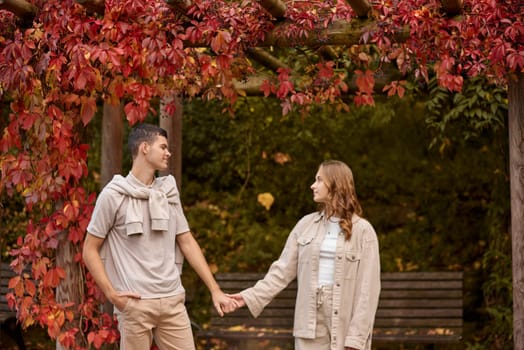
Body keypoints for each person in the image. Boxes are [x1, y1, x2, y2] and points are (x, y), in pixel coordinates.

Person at [82, 123, 237, 350]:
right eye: (163, 147)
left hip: (173, 301)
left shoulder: (168, 192)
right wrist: (113, 295)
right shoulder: (113, 195)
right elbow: (89, 248)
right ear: (145, 148)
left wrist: (215, 290)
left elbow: (186, 241)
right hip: (135, 305)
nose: (168, 153)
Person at [229, 160, 381, 350]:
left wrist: (356, 339)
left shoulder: (364, 231)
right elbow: (281, 271)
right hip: (309, 321)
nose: (312, 185)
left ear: (335, 184)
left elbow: (368, 290)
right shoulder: (305, 225)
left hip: (344, 323)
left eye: (319, 180)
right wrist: (248, 297)